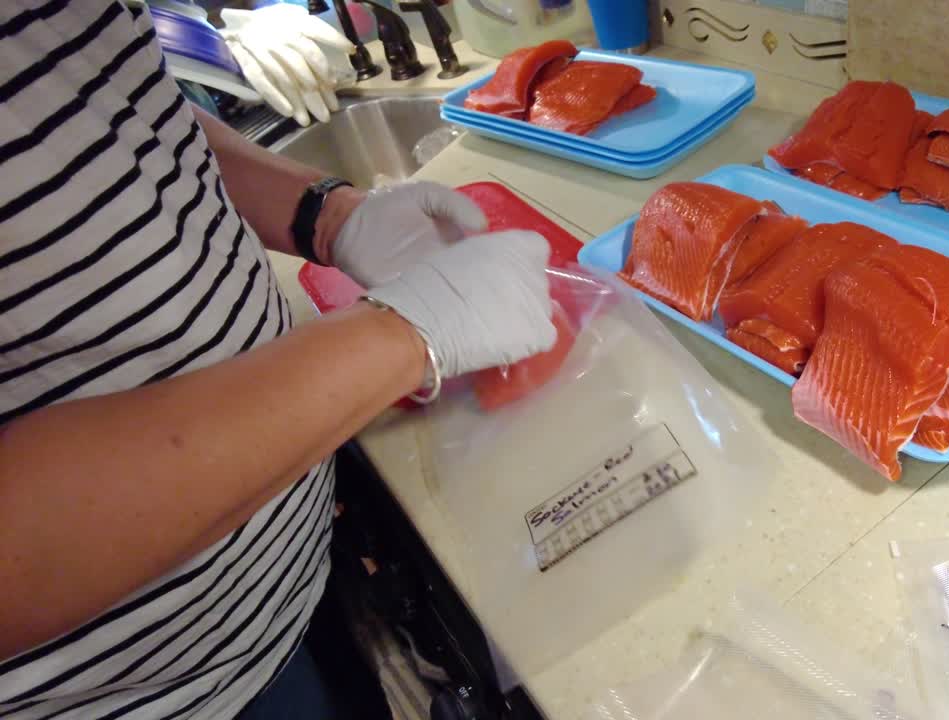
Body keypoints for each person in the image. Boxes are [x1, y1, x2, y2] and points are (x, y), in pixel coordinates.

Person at [0, 1, 555, 718]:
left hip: (297, 586)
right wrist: (399, 337)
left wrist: (325, 215)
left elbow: (112, 120)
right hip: (147, 695)